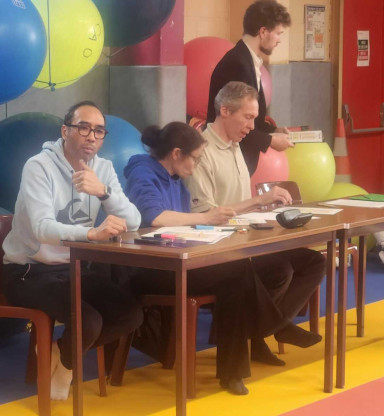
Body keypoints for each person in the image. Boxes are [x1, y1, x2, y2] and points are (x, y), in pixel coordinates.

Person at [124, 121, 285, 395]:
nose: (196, 165)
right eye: (195, 159)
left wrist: (210, 224)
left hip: (176, 260)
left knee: (234, 277)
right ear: (176, 153)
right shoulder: (143, 173)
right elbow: (155, 217)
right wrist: (206, 218)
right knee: (236, 270)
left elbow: (184, 224)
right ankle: (275, 327)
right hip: (147, 268)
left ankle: (233, 373)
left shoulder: (177, 182)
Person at [2, 101, 142, 401]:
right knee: (88, 321)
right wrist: (91, 234)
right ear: (65, 131)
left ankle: (62, 354)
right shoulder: (38, 166)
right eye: (83, 128)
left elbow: (134, 221)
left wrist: (103, 191)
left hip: (72, 268)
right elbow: (43, 228)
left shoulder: (102, 168)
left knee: (129, 314)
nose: (92, 136)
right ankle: (67, 366)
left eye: (99, 131)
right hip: (27, 271)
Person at [186, 81, 326, 360]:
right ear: (225, 111)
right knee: (279, 270)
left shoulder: (235, 144)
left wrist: (264, 212)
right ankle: (275, 328)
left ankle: (263, 330)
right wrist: (257, 201)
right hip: (218, 250)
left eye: (254, 118)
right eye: (248, 117)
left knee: (313, 261)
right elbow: (206, 215)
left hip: (244, 241)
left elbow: (238, 204)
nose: (252, 126)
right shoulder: (202, 152)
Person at [206, 0, 293, 176]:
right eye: (278, 33)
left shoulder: (247, 60)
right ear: (263, 32)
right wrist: (270, 141)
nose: (279, 40)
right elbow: (235, 121)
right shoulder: (238, 64)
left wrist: (273, 131)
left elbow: (252, 120)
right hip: (228, 159)